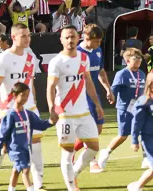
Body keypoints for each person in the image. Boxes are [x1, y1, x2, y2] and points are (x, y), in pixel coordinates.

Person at [47, 26, 104, 191]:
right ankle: (72, 187)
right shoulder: (56, 62)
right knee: (68, 153)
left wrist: (98, 104)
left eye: (72, 37)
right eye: (66, 38)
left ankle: (74, 173)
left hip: (84, 112)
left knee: (94, 148)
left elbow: (88, 82)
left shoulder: (84, 58)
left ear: (78, 37)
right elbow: (50, 87)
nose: (70, 40)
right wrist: (52, 108)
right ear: (61, 40)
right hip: (65, 113)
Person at [0, 23, 40, 191]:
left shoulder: (31, 57)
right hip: (8, 110)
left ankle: (36, 184)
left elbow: (30, 84)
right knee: (4, 148)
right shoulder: (3, 58)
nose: (27, 39)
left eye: (29, 35)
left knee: (34, 145)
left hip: (29, 109)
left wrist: (35, 104)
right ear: (14, 37)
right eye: (23, 36)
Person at [0, 82, 53, 191]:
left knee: (17, 170)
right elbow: (3, 133)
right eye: (23, 95)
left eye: (27, 95)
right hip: (15, 149)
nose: (25, 98)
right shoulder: (10, 115)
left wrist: (51, 121)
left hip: (26, 148)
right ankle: (31, 189)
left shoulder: (28, 114)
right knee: (25, 171)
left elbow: (40, 125)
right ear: (14, 96)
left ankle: (11, 189)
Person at [97, 47, 146, 170]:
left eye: (140, 58)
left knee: (145, 131)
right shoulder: (122, 74)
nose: (139, 61)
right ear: (128, 61)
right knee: (123, 135)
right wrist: (111, 94)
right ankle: (106, 151)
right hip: (125, 108)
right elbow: (114, 88)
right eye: (136, 58)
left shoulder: (142, 74)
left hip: (139, 108)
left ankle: (147, 157)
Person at [75, 24, 114, 173]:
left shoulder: (97, 50)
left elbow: (101, 71)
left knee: (97, 129)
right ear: (86, 38)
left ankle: (71, 151)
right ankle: (93, 162)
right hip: (79, 97)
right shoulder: (77, 53)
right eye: (96, 41)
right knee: (89, 129)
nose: (98, 44)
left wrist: (108, 89)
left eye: (99, 41)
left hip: (93, 95)